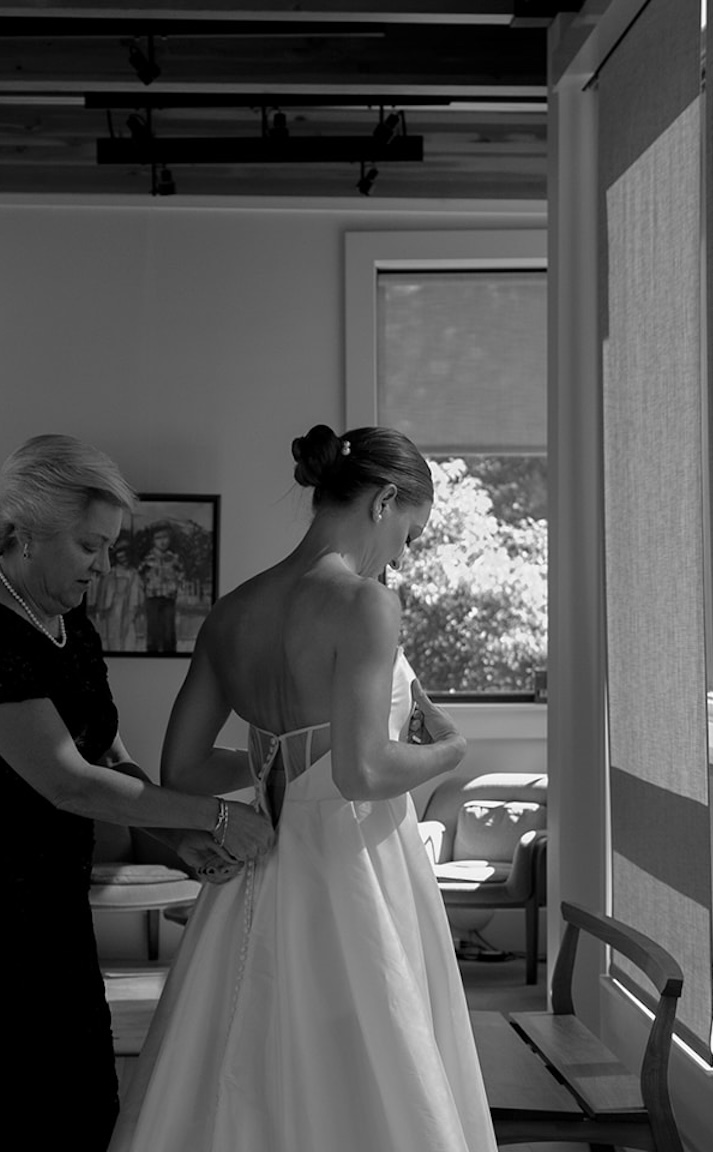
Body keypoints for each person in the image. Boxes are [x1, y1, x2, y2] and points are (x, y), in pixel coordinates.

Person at [0, 434, 273, 1152]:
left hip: (51, 906)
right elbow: (67, 780)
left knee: (74, 1108)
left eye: (111, 546)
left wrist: (179, 840)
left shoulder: (67, 625)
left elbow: (109, 755)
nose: (106, 565)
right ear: (24, 534)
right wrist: (215, 812)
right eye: (92, 545)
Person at [109, 423, 496, 1152]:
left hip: (261, 863)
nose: (402, 556)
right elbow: (362, 772)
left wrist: (270, 768)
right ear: (384, 501)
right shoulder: (365, 605)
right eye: (411, 535)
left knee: (245, 1052)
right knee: (371, 1057)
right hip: (357, 867)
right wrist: (450, 749)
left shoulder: (231, 612)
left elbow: (184, 770)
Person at [90, 532, 147, 651]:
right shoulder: (111, 573)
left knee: (128, 631)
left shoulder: (134, 573)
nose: (123, 556)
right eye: (120, 553)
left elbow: (138, 593)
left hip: (129, 606)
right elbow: (103, 592)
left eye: (126, 553)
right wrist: (100, 608)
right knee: (113, 631)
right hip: (113, 606)